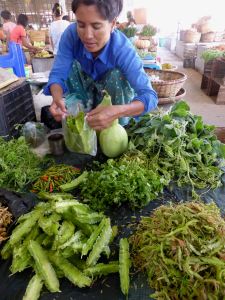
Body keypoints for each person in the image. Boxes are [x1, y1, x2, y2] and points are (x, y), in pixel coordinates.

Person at [44, 0, 158, 130]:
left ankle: (117, 127)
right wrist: (57, 99)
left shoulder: (122, 49)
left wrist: (117, 111)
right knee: (72, 66)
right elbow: (58, 74)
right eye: (81, 25)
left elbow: (149, 96)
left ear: (113, 24)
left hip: (112, 101)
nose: (87, 36)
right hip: (83, 93)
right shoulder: (71, 35)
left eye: (96, 26)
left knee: (116, 75)